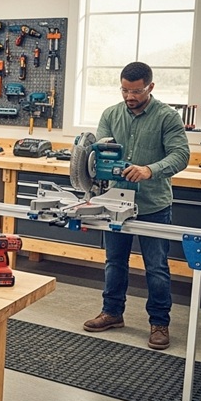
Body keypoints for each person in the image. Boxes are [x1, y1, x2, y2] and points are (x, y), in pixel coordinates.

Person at [82, 62, 189, 351]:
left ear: (150, 87)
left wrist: (149, 170)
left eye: (137, 91)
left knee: (156, 267)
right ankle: (112, 312)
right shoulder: (111, 114)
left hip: (153, 204)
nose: (130, 96)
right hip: (116, 202)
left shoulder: (167, 117)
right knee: (115, 262)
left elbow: (181, 155)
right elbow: (98, 153)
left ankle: (159, 323)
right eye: (125, 90)